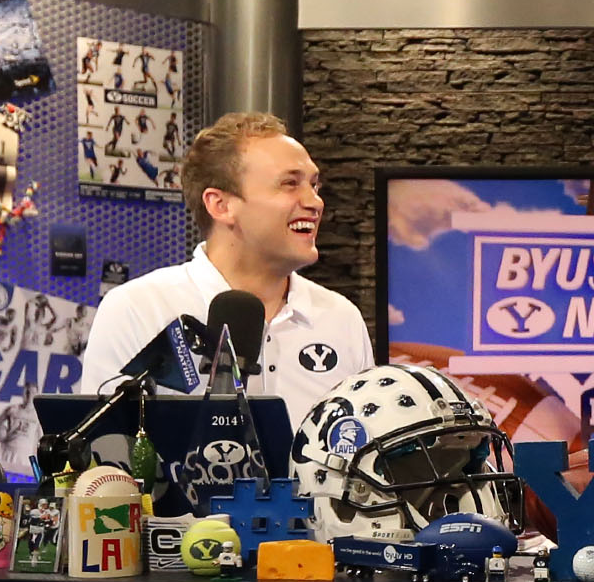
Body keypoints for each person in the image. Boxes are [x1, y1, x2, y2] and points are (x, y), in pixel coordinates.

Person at [80, 111, 374, 433]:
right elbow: (106, 459)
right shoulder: (137, 310)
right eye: (290, 184)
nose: (315, 202)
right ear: (220, 205)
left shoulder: (341, 319)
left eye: (314, 185)